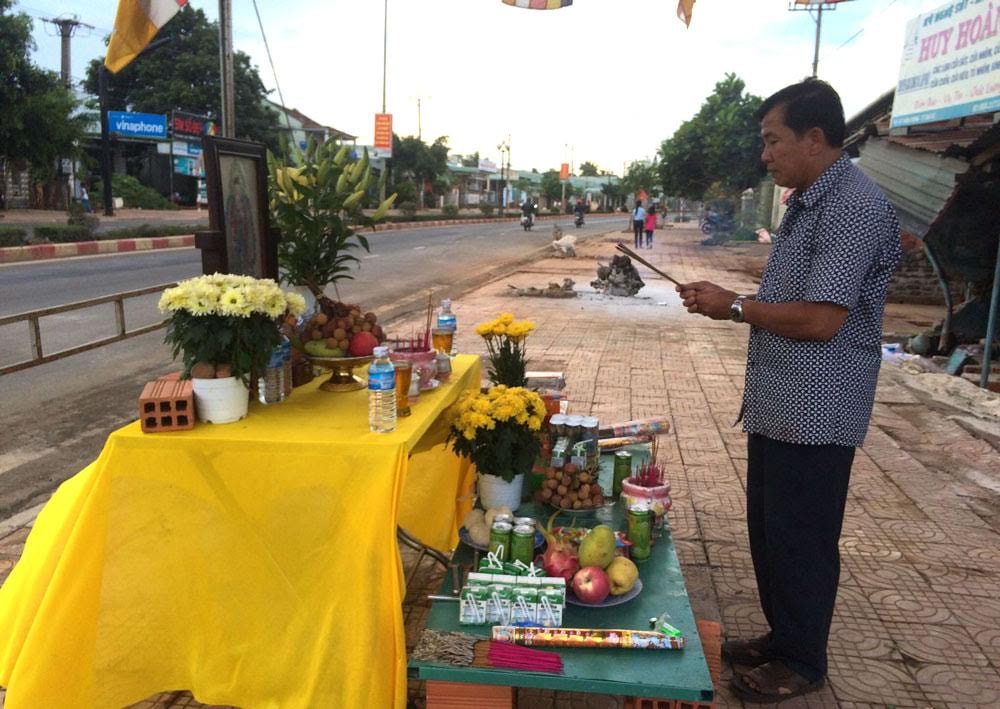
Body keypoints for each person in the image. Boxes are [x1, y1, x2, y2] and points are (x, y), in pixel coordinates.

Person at [676, 78, 901, 703]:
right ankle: (783, 637)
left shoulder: (852, 206)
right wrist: (728, 302)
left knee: (803, 536)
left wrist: (736, 307)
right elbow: (789, 300)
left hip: (820, 405)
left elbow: (824, 317)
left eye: (774, 141)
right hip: (780, 399)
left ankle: (803, 659)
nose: (766, 155)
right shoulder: (807, 202)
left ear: (816, 138)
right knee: (772, 531)